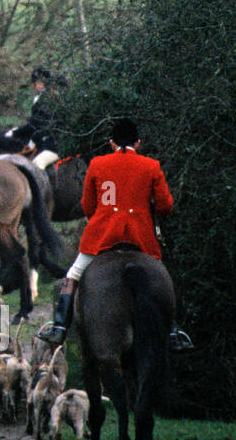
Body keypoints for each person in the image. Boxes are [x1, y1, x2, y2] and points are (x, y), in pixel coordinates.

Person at [36, 118, 192, 351]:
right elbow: (165, 206)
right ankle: (172, 330)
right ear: (137, 143)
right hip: (141, 238)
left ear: (111, 143)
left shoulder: (98, 164)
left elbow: (87, 205)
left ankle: (59, 328)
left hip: (102, 237)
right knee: (163, 277)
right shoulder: (151, 166)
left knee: (73, 274)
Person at [3, 67, 62, 170]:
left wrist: (20, 134)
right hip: (45, 140)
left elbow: (41, 124)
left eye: (38, 83)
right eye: (36, 83)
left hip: (56, 143)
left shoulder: (49, 100)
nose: (36, 86)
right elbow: (35, 123)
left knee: (37, 164)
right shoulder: (41, 99)